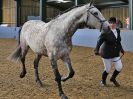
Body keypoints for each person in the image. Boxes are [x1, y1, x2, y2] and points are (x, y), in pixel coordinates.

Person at [94, 17, 125, 87]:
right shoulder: (105, 31)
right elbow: (99, 41)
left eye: (114, 23)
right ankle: (103, 80)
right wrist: (96, 49)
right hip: (106, 53)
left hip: (115, 53)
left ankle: (113, 78)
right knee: (107, 69)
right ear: (108, 23)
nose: (112, 24)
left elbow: (118, 41)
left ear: (116, 23)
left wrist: (121, 49)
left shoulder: (118, 30)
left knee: (119, 67)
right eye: (110, 23)